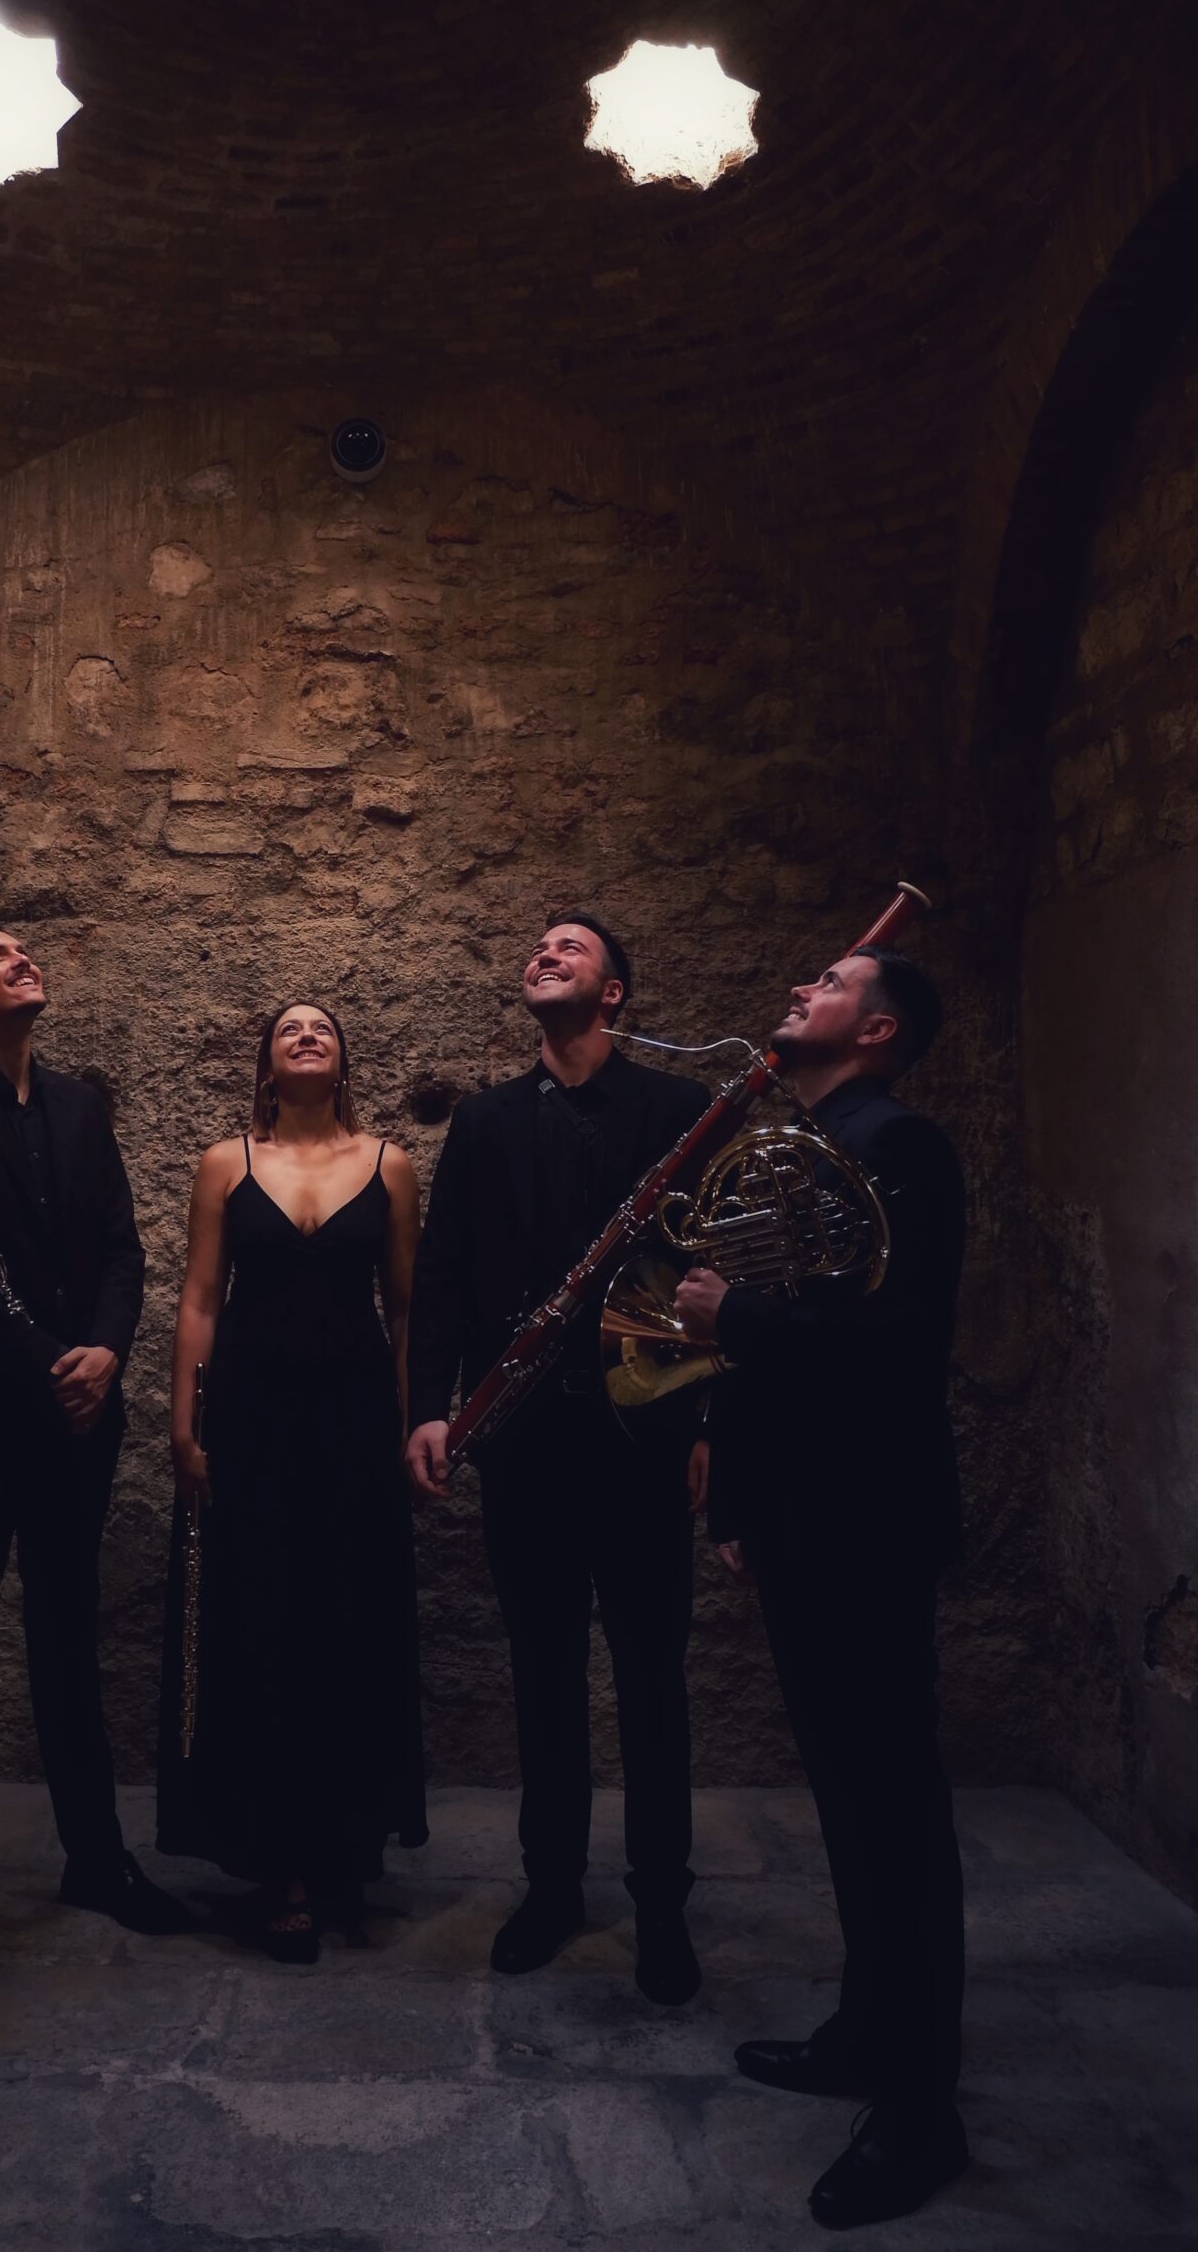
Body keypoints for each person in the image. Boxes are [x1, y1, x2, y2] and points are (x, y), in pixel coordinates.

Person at [676, 945, 968, 2230]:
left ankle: (922, 2115)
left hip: (870, 1524)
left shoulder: (900, 1146)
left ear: (880, 1027)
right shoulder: (806, 1142)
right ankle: (867, 2032)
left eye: (834, 983)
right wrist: (737, 1497)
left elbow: (895, 1344)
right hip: (803, 1521)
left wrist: (729, 1313)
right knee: (851, 1805)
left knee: (896, 1816)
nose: (802, 988)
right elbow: (774, 1352)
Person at [405, 915, 711, 1996]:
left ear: (613, 992)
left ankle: (662, 1906)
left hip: (642, 1436)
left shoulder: (680, 1110)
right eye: (537, 946)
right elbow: (442, 1272)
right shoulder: (485, 1120)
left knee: (652, 1679)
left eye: (571, 947)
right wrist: (429, 1408)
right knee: (542, 1675)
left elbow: (707, 1277)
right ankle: (551, 1888)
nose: (545, 952)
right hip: (523, 1443)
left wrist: (706, 1427)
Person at [0, 921, 186, 2017]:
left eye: (24, 950)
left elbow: (121, 1249)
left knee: (70, 1638)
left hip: (79, 1415)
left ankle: (96, 1859)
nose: (22, 959)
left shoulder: (78, 1105)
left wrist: (105, 1351)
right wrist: (50, 1364)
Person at [157, 1001, 426, 1962]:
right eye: (288, 1030)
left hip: (354, 1423)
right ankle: (278, 1863)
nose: (306, 1035)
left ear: (342, 1059)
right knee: (260, 1625)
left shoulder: (390, 1163)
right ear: (267, 1066)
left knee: (347, 1624)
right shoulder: (224, 1162)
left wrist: (410, 1427)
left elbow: (405, 1308)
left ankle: (341, 1850)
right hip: (251, 1419)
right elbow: (199, 1298)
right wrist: (184, 1421)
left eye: (322, 1028)